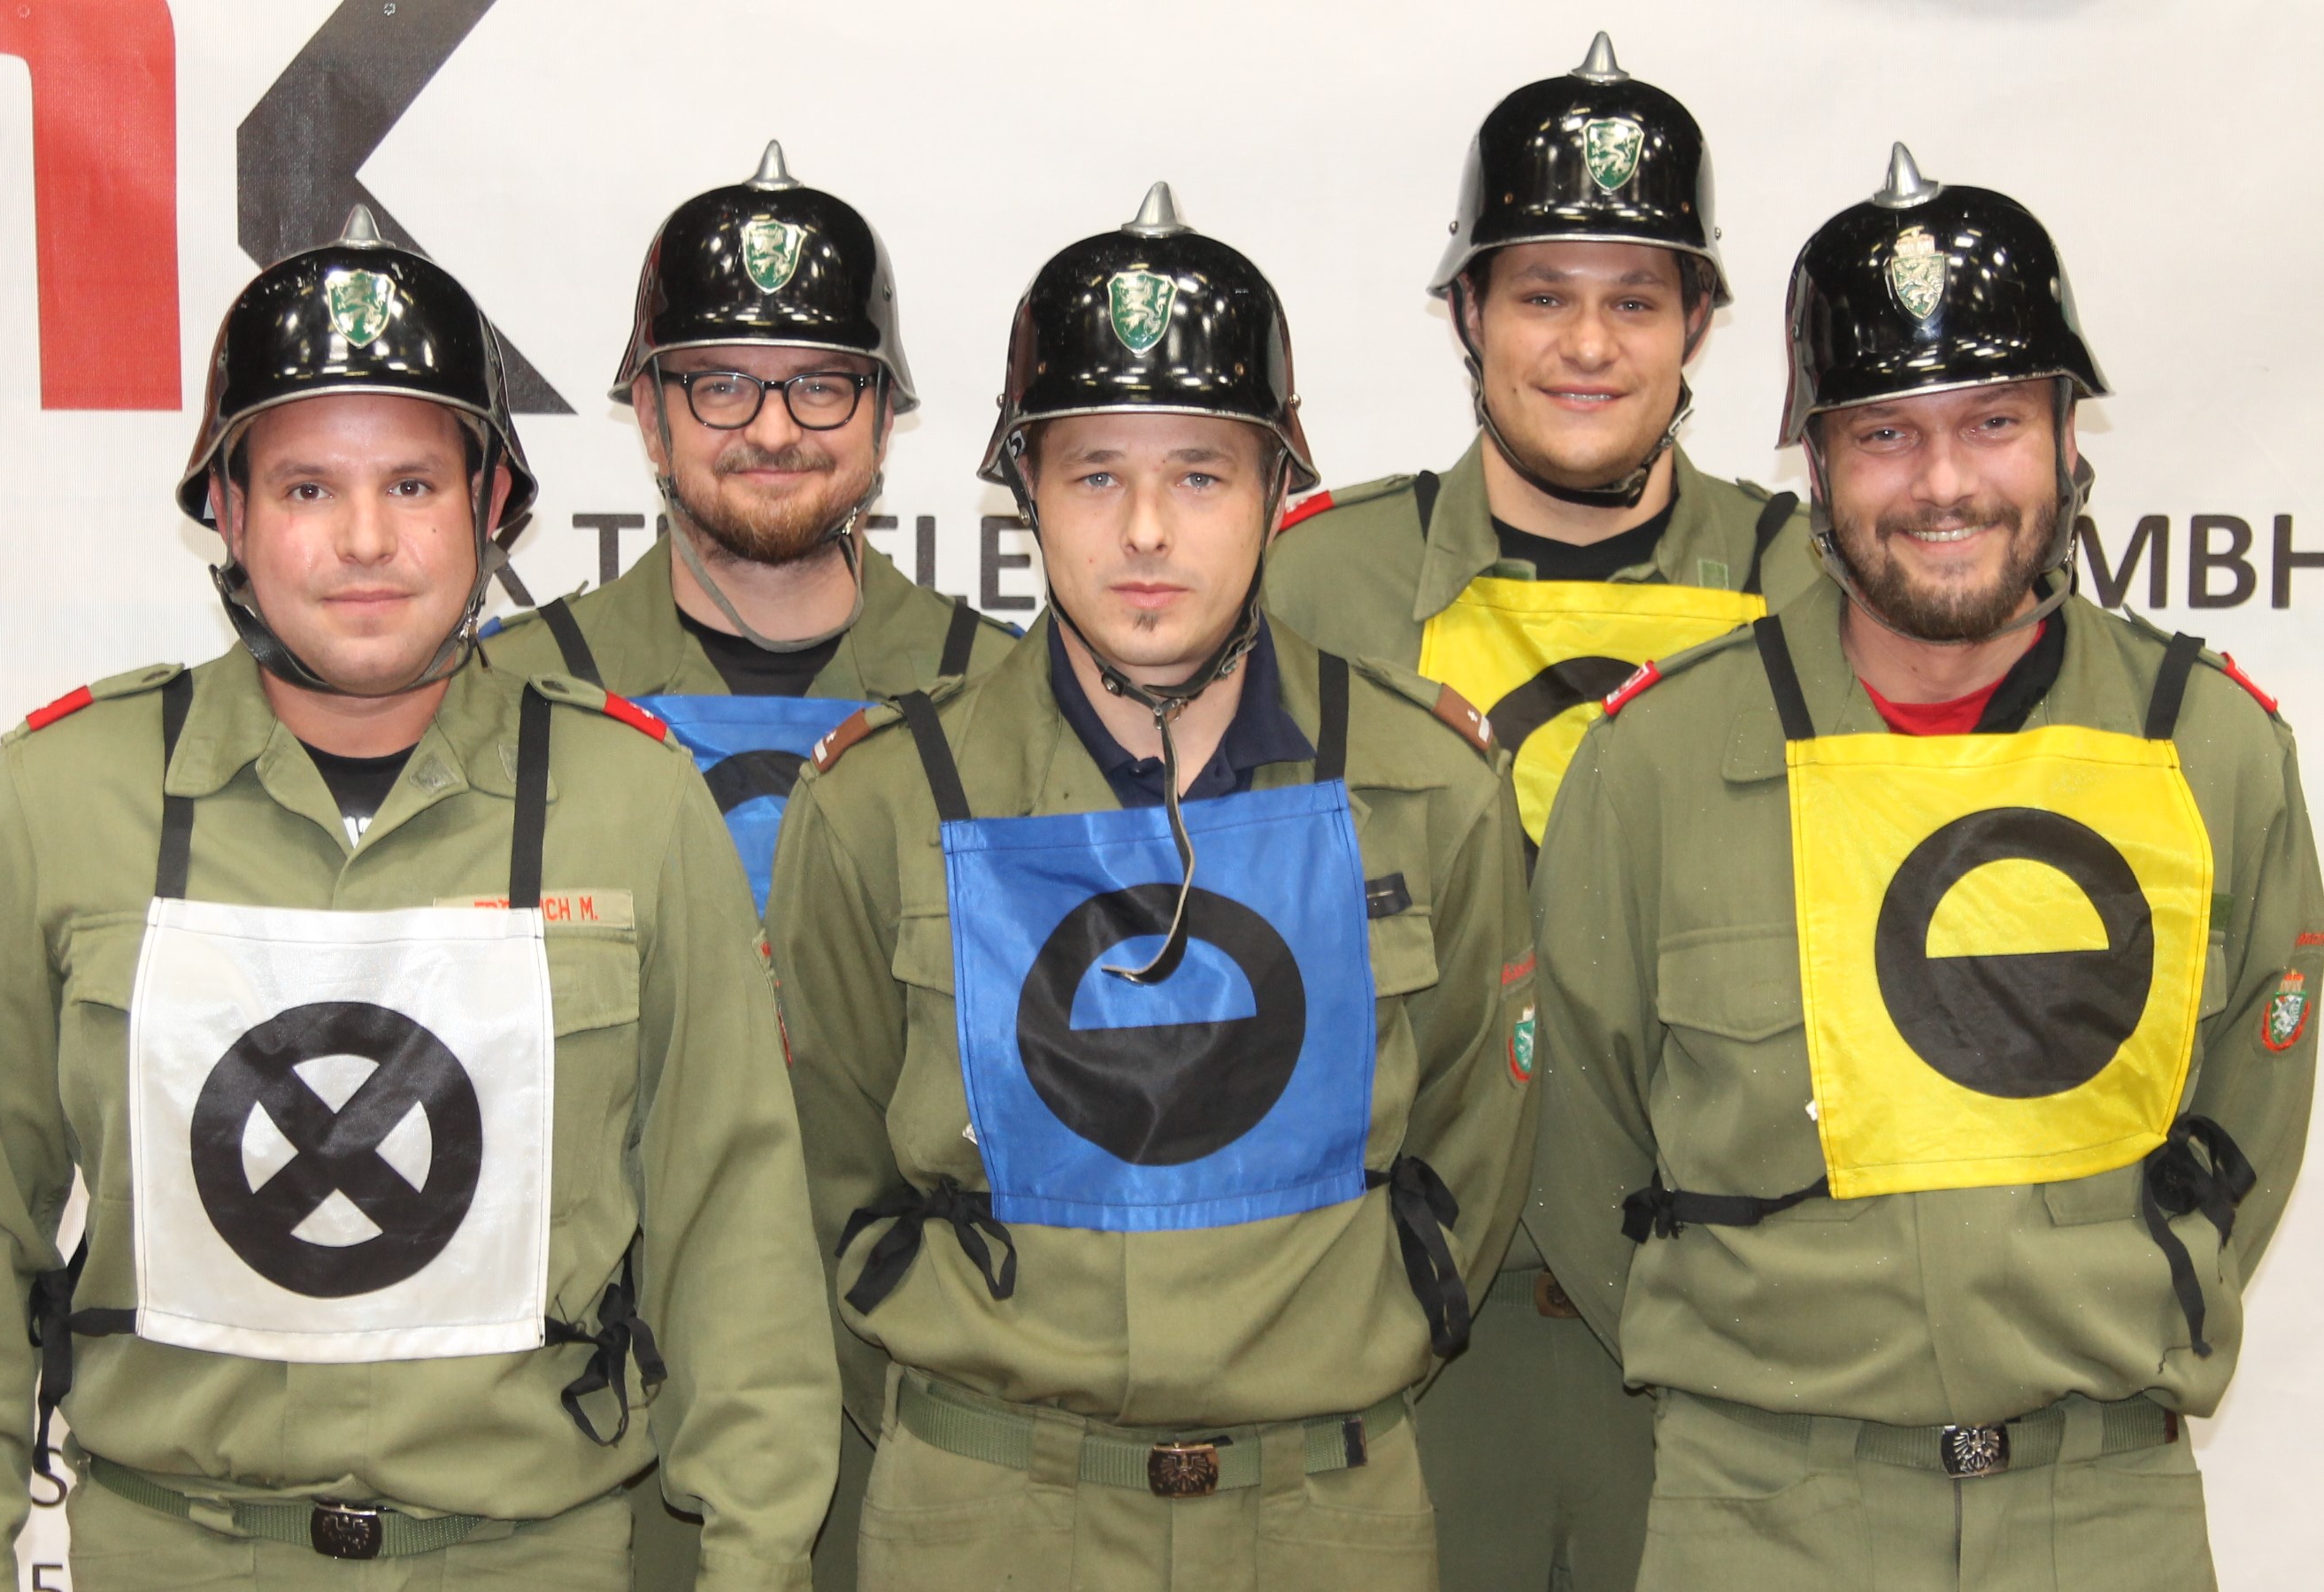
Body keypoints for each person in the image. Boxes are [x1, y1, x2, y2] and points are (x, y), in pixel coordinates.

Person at [0, 209, 837, 1589]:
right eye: (307, 488)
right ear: (228, 510)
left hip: (530, 1559)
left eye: (413, 484)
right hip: (174, 1552)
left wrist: (757, 1564)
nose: (365, 540)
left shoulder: (632, 801)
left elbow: (736, 1240)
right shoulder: (58, 799)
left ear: (490, 502)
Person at [1528, 146, 2320, 1590]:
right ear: (1815, 463)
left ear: (2066, 437)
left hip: (2105, 1516)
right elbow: (1580, 1158)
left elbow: (2243, 1142)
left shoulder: (2210, 750)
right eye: (1884, 432)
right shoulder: (1651, 770)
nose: (1942, 481)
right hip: (1758, 1518)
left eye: (1991, 420)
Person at [769, 183, 1536, 1589]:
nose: (1143, 532)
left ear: (1273, 490)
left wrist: (1366, 1335)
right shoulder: (882, 802)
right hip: (984, 1514)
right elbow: (826, 1171)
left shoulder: (1426, 784)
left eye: (1198, 475)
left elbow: (1474, 1147)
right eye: (1092, 475)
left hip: (1324, 1515)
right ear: (1026, 491)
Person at [1263, 34, 1814, 1589]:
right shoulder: (1314, 585)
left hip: (1729, 1345)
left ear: (1697, 322)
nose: (1586, 345)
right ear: (1466, 314)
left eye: (1634, 299)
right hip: (1414, 1345)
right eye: (1540, 295)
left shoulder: (1809, 589)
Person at [484, 142, 1014, 919]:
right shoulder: (507, 691)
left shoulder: (1003, 694)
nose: (772, 431)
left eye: (821, 386)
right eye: (722, 386)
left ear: (884, 419)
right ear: (651, 417)